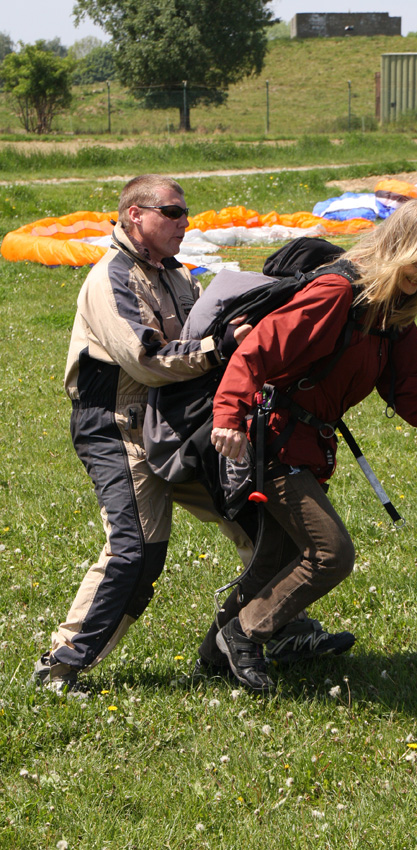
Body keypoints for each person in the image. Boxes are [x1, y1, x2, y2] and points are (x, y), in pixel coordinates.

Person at [33, 174, 351, 692]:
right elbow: (148, 358)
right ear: (135, 215)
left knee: (268, 526)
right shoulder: (112, 276)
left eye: (186, 213)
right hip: (118, 428)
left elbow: (210, 325)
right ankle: (63, 664)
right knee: (136, 551)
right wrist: (222, 346)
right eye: (173, 213)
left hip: (177, 423)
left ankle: (277, 630)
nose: (186, 223)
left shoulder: (178, 275)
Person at [209, 197, 417, 692]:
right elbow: (258, 349)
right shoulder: (336, 293)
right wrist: (229, 415)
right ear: (398, 247)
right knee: (330, 552)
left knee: (274, 564)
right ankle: (244, 634)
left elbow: (410, 387)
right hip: (267, 443)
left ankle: (211, 663)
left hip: (305, 447)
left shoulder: (392, 317)